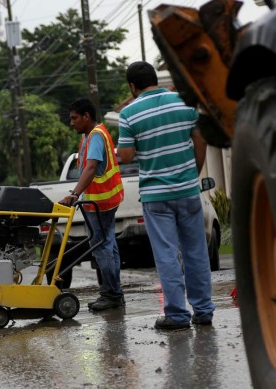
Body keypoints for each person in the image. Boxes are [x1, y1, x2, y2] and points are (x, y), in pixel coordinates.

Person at [117, 61, 216, 330]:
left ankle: (177, 315)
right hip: (187, 190)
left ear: (132, 87)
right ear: (155, 80)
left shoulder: (129, 114)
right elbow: (201, 139)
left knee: (167, 255)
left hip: (155, 195)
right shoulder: (183, 103)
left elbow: (126, 156)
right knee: (196, 251)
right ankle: (204, 310)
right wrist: (192, 174)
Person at [59, 98, 125, 311]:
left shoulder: (96, 136)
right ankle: (115, 293)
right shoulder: (93, 134)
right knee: (109, 245)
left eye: (74, 118)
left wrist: (74, 194)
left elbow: (91, 167)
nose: (72, 123)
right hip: (103, 200)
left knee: (102, 247)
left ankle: (111, 294)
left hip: (100, 202)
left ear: (86, 116)